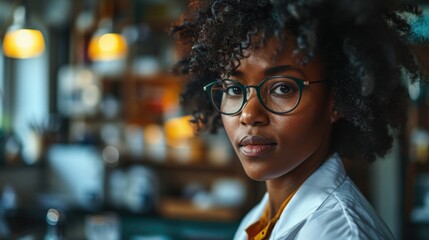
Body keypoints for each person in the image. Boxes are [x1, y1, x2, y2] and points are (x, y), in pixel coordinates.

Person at [171, 0, 426, 239]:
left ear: (335, 101)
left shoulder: (341, 233)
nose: (248, 115)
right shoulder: (257, 221)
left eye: (282, 88)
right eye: (234, 90)